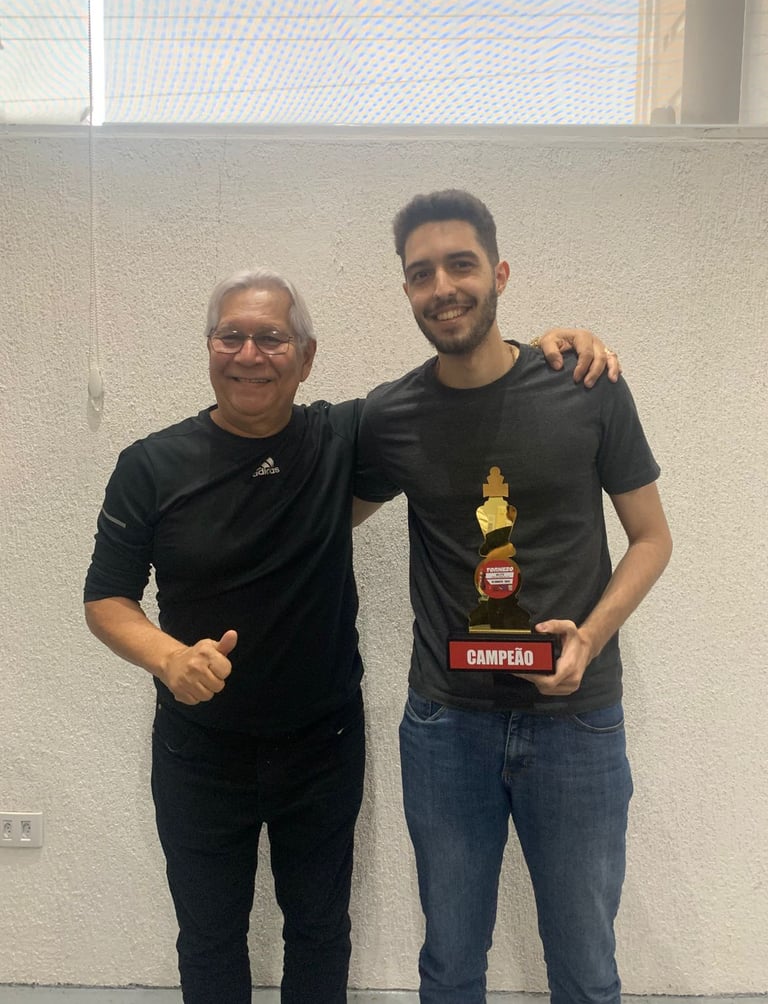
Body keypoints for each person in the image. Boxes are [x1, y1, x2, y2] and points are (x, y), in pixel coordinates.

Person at [83, 266, 619, 1004]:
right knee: (207, 936)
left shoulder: (343, 437)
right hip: (196, 748)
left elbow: (457, 387)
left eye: (272, 338)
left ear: (306, 357)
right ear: (208, 349)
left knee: (320, 931)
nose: (249, 354)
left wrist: (544, 352)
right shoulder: (148, 466)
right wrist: (168, 657)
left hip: (322, 744)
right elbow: (106, 599)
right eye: (230, 336)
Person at [358, 190, 672, 1004]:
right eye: (421, 273)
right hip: (444, 724)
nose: (442, 287)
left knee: (586, 971)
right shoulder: (390, 416)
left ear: (498, 274)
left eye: (460, 265)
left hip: (577, 723)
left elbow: (651, 539)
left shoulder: (587, 385)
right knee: (449, 966)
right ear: (406, 290)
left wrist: (590, 638)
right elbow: (315, 515)